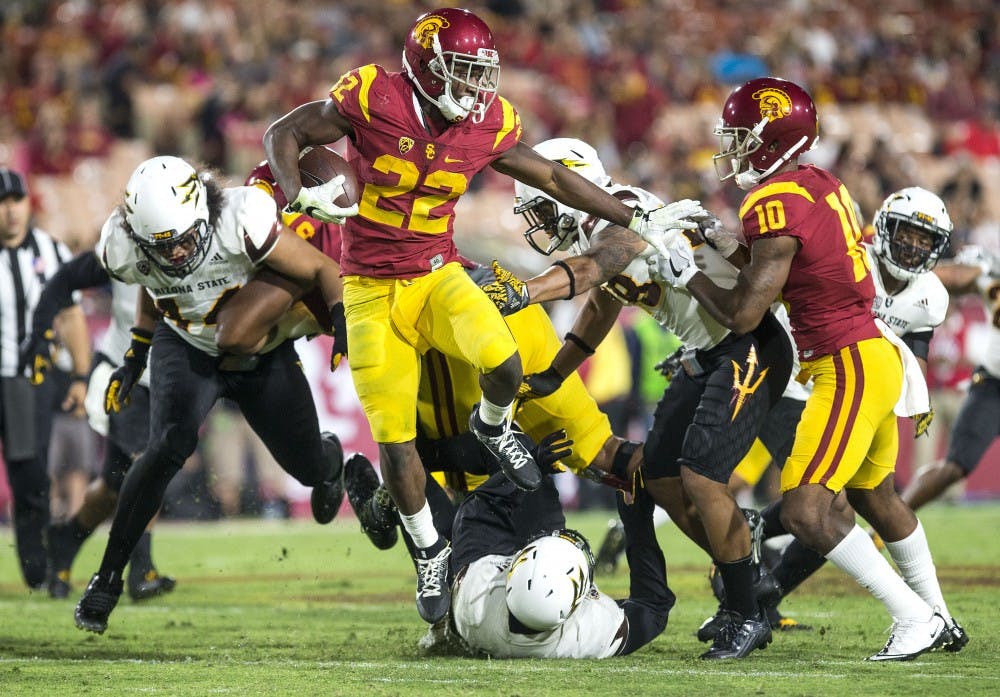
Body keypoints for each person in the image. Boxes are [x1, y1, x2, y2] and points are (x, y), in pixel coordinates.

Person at [261, 7, 690, 623]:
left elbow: (549, 175)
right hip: (369, 285)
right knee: (398, 439)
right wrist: (294, 191)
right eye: (460, 72)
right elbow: (286, 131)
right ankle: (427, 551)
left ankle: (491, 430)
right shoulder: (372, 95)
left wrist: (634, 217)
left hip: (437, 271)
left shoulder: (489, 120)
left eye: (478, 72)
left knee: (501, 363)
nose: (474, 87)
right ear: (425, 67)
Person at [640, 76, 960, 661]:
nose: (731, 148)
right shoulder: (816, 182)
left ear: (770, 139)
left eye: (740, 137)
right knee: (876, 498)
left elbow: (742, 315)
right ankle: (941, 615)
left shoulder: (770, 200)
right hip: (871, 354)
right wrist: (720, 240)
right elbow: (789, 269)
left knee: (806, 509)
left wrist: (689, 272)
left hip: (848, 363)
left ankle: (916, 618)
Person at [480, 137, 792, 659]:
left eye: (538, 199)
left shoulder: (623, 215)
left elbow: (594, 270)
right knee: (659, 475)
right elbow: (603, 301)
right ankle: (750, 585)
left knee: (701, 477)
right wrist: (558, 373)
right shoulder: (603, 226)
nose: (536, 216)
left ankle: (745, 610)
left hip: (749, 345)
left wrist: (524, 291)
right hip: (709, 351)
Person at [72, 155, 348, 634]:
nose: (177, 254)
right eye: (163, 246)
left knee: (305, 466)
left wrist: (342, 325)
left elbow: (322, 267)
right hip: (185, 343)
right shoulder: (124, 248)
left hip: (259, 350)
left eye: (182, 240)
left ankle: (331, 464)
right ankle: (108, 578)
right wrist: (136, 353)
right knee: (164, 448)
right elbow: (149, 284)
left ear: (202, 212)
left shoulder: (242, 218)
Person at [21, 250, 179, 601]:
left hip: (171, 378)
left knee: (112, 487)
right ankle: (141, 570)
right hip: (126, 373)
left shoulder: (202, 235)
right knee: (146, 466)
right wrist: (42, 330)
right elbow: (64, 279)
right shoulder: (123, 240)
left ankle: (65, 541)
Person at [415, 466, 674, 658]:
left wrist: (521, 467)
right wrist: (638, 520)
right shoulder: (590, 633)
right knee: (529, 469)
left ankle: (399, 491)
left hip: (476, 583)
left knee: (427, 520)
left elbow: (475, 513)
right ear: (576, 606)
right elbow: (654, 608)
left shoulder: (475, 597)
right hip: (489, 610)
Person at [0, 166, 91, 590]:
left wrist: (80, 375)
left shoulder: (50, 250)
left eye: (15, 200)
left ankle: (37, 568)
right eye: (2, 202)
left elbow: (71, 315)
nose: (10, 211)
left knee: (30, 474)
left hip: (25, 380)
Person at [900, 244, 998, 513]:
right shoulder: (990, 266)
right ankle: (889, 526)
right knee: (953, 466)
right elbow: (955, 277)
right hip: (992, 385)